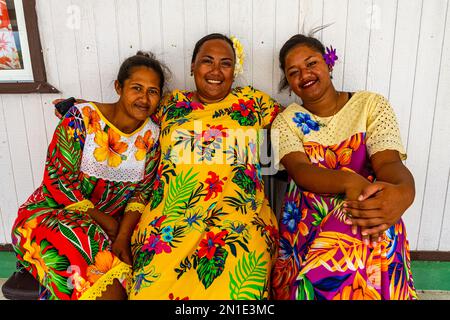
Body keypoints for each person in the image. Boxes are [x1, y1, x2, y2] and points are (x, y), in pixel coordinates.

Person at [126, 33, 282, 300]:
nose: (216, 71)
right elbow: (127, 111)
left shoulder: (255, 103)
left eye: (226, 63)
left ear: (235, 70)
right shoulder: (171, 104)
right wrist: (86, 110)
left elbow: (298, 123)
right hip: (170, 223)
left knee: (238, 291)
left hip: (238, 221)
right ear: (192, 66)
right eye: (207, 61)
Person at [270, 34, 417, 300]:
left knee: (375, 216)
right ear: (289, 83)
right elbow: (301, 172)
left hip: (365, 205)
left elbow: (389, 162)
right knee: (358, 219)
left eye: (312, 63)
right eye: (294, 72)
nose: (305, 74)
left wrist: (404, 191)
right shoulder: (287, 121)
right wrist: (350, 182)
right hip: (309, 217)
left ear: (329, 63)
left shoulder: (370, 105)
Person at [11, 51, 167, 300]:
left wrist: (123, 236)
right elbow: (58, 181)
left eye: (153, 91)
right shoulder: (81, 119)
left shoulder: (153, 136)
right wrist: (107, 223)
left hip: (113, 226)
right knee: (108, 286)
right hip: (53, 214)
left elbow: (142, 193)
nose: (144, 98)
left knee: (140, 276)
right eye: (136, 88)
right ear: (118, 87)